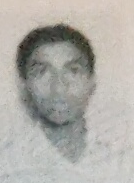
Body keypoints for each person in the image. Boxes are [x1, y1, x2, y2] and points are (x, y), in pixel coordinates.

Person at [15, 22, 100, 164]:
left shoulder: (122, 151)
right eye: (41, 72)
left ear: (92, 82)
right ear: (25, 86)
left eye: (73, 71)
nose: (58, 89)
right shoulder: (10, 159)